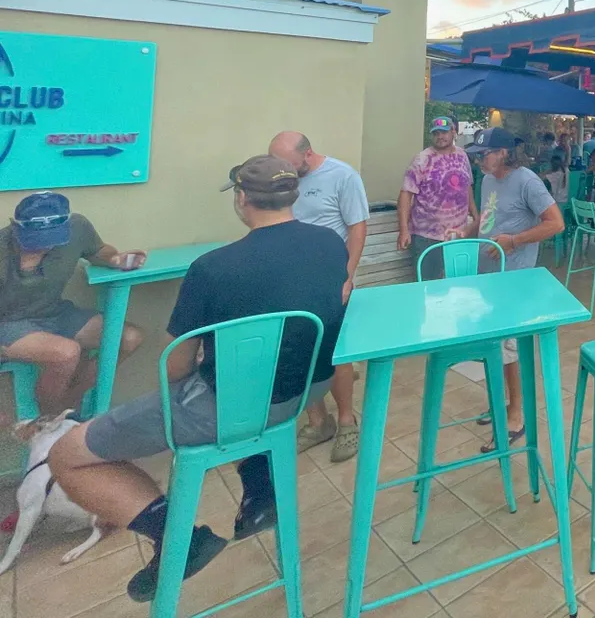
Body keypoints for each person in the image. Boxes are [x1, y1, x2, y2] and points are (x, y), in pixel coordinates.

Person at [49, 157, 348, 603]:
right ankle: (259, 488)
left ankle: (178, 538)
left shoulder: (212, 267)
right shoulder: (330, 243)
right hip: (307, 390)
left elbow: (176, 365)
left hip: (236, 408)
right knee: (235, 392)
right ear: (294, 195)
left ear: (242, 199)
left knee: (67, 454)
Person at [268, 131, 368, 462]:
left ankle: (347, 421)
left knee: (335, 354)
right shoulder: (282, 179)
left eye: (286, 163)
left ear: (307, 154)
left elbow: (357, 228)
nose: (281, 170)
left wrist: (347, 276)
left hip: (330, 279)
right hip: (290, 279)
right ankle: (318, 421)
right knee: (300, 353)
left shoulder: (342, 176)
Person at [0, 193, 146, 416]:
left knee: (128, 338)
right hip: (8, 322)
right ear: (16, 228)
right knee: (66, 353)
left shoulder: (77, 227)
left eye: (51, 240)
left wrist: (116, 260)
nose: (43, 247)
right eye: (34, 240)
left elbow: (98, 252)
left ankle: (69, 402)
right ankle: (50, 422)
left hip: (54, 313)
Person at [468, 128, 566, 449]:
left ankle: (517, 415)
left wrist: (514, 241)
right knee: (494, 347)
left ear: (504, 153)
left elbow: (556, 223)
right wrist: (464, 232)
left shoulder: (527, 181)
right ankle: (502, 402)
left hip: (515, 278)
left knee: (510, 350)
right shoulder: (487, 180)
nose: (479, 161)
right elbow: (487, 219)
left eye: (484, 154)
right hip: (488, 278)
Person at [398, 117, 478, 276]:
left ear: (453, 132)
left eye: (444, 132)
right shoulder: (422, 159)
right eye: (436, 133)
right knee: (428, 285)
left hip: (458, 235)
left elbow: (467, 186)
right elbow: (406, 194)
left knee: (457, 283)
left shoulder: (462, 155)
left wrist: (475, 216)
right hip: (428, 237)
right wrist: (404, 230)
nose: (440, 137)